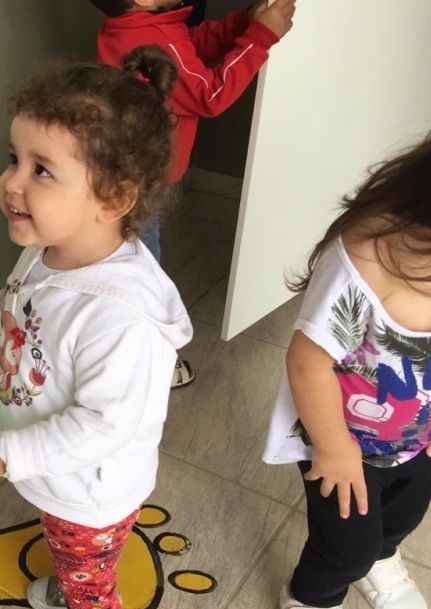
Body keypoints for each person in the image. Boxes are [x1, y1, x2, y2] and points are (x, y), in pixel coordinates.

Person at [0, 49, 192, 609]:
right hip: (56, 478)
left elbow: (104, 425)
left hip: (91, 489)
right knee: (71, 551)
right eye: (13, 159)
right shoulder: (44, 255)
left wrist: (7, 453)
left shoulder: (120, 317)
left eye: (41, 170)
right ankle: (76, 572)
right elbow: (9, 328)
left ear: (114, 199)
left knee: (91, 585)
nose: (11, 183)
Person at [263, 133, 431, 609]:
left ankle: (383, 555)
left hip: (421, 434)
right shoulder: (366, 258)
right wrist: (334, 448)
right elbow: (308, 361)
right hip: (342, 442)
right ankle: (312, 597)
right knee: (345, 542)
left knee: (406, 513)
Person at [91, 0, 296, 388]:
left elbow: (190, 46)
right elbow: (210, 94)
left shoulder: (135, 27)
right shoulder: (153, 36)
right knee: (143, 273)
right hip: (140, 183)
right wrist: (260, 37)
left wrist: (242, 23)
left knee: (130, 261)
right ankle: (153, 358)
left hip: (123, 173)